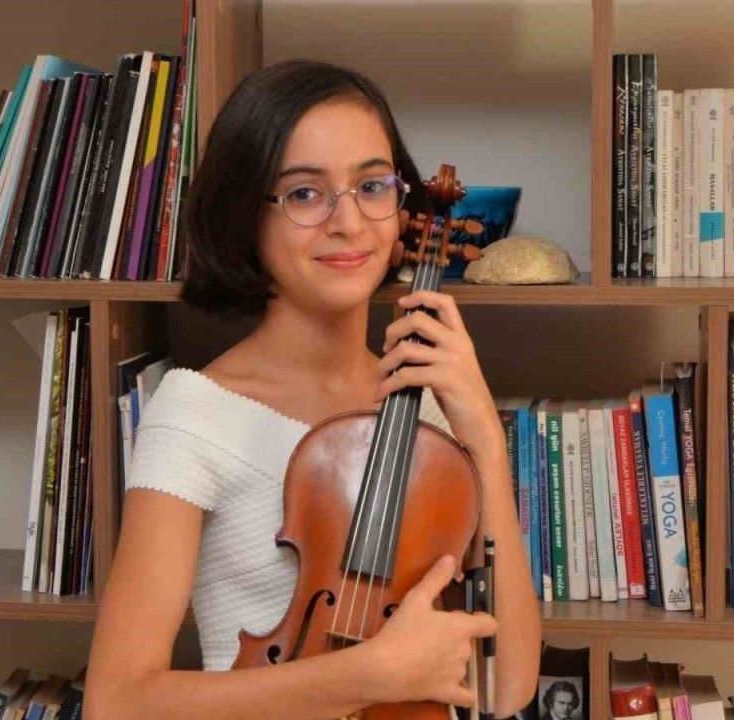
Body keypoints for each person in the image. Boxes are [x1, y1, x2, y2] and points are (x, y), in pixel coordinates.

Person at [85, 59, 541, 720]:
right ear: (247, 216)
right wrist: (367, 675)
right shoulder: (194, 411)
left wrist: (485, 442)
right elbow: (116, 702)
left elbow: (505, 688)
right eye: (304, 194)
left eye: (372, 186)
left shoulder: (426, 410)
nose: (349, 222)